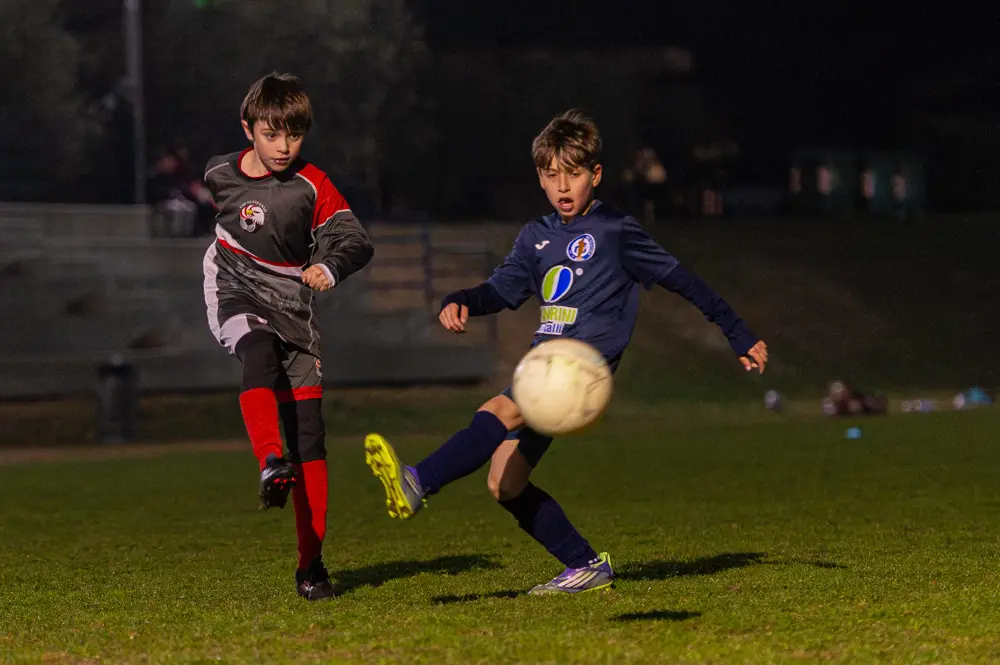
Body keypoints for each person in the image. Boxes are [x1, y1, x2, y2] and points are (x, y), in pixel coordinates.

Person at [363, 109, 767, 595]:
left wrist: (737, 332)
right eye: (551, 174)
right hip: (546, 363)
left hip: (578, 371)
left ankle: (417, 482)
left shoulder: (616, 232)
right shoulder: (536, 238)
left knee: (501, 409)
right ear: (539, 177)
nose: (562, 185)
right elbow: (502, 290)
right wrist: (461, 300)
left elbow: (683, 281)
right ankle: (585, 564)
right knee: (504, 483)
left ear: (595, 174)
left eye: (573, 173)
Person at [202, 73, 374, 601]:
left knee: (312, 439)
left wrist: (329, 266)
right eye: (272, 134)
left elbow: (355, 240)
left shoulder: (312, 185)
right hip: (234, 288)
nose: (283, 147)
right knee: (255, 351)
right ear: (248, 127)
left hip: (294, 309)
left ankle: (312, 566)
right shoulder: (219, 175)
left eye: (294, 136)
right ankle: (268, 461)